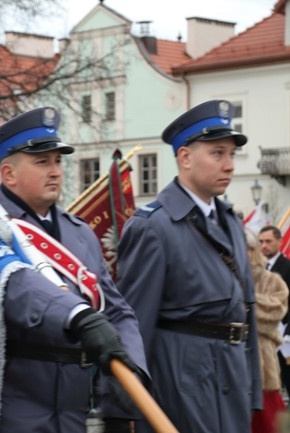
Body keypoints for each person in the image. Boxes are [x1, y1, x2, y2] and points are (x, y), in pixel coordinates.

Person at [0, 107, 149, 433]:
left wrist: (132, 373)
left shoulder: (80, 233)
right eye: (42, 162)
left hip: (74, 408)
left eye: (58, 161)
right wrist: (78, 317)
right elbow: (19, 291)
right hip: (15, 407)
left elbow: (116, 311)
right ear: (8, 173)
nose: (56, 171)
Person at [117, 100, 262, 433]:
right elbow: (133, 326)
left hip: (232, 382)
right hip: (182, 386)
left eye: (232, 155)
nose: (229, 165)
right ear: (185, 157)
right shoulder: (153, 227)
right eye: (217, 154)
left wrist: (252, 391)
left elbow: (247, 314)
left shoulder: (231, 223)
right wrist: (126, 410)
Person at [246, 229, 288, 433]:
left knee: (269, 422)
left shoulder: (273, 279)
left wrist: (245, 302)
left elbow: (277, 311)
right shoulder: (225, 278)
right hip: (231, 363)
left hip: (264, 363)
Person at [259, 225, 290, 398]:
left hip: (284, 337)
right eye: (261, 242)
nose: (264, 246)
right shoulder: (255, 269)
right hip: (262, 336)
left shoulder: (287, 267)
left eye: (268, 241)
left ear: (279, 241)